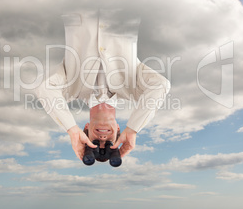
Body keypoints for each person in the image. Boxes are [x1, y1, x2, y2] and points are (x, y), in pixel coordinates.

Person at [35, 9, 170, 162]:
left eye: (95, 142)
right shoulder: (134, 89)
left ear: (85, 128)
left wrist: (71, 129)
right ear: (118, 128)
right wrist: (133, 129)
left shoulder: (69, 89)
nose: (103, 139)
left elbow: (44, 88)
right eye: (109, 142)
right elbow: (160, 85)